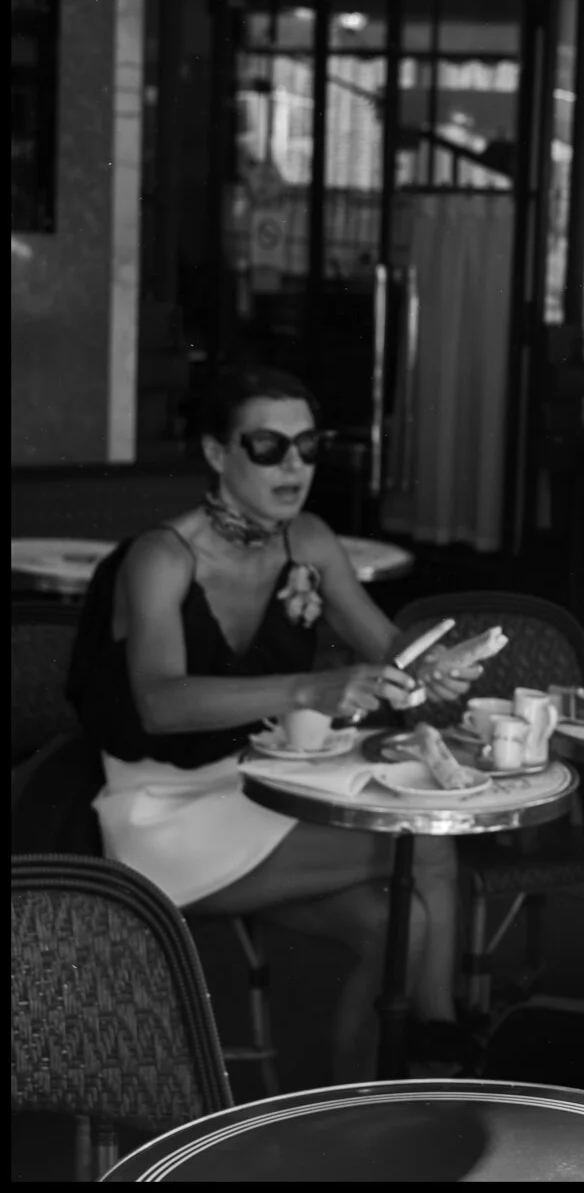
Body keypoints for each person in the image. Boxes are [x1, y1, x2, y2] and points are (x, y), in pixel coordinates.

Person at [73, 367, 487, 1081]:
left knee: (402, 926)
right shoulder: (161, 556)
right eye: (267, 446)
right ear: (216, 452)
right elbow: (160, 704)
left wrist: (434, 667)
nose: (293, 465)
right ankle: (441, 1046)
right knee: (427, 844)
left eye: (308, 445)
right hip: (160, 814)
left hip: (257, 792)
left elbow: (391, 649)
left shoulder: (310, 540)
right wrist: (309, 687)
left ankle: (359, 1106)